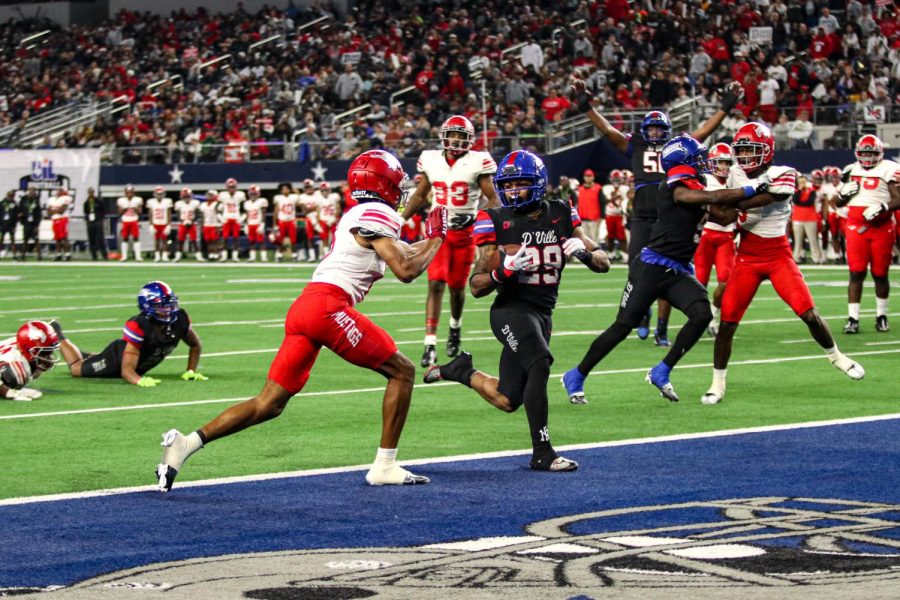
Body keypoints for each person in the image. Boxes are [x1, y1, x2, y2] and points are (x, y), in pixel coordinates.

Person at [155, 150, 449, 491]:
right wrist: (439, 236)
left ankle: (186, 444)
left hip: (307, 306)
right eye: (397, 184)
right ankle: (384, 465)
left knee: (270, 403)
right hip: (328, 306)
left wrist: (432, 237)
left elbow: (405, 253)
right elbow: (407, 270)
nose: (401, 191)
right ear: (384, 184)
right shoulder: (377, 212)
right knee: (403, 371)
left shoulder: (362, 213)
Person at [424, 149, 609, 468]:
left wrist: (585, 253)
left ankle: (461, 371)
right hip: (510, 309)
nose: (511, 192)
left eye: (519, 184)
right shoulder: (494, 219)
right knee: (540, 362)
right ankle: (543, 452)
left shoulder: (561, 212)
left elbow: (604, 263)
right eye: (506, 186)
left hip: (543, 313)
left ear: (538, 184)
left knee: (509, 399)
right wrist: (503, 271)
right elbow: (477, 285)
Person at [561, 134, 766, 404]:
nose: (702, 162)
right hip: (651, 267)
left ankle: (662, 370)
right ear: (683, 162)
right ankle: (576, 374)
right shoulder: (676, 186)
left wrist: (764, 199)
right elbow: (697, 196)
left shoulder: (697, 185)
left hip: (677, 270)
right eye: (696, 158)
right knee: (623, 326)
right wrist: (746, 191)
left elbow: (724, 215)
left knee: (702, 314)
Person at [569, 79, 743, 346]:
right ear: (643, 130)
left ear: (667, 131)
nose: (654, 134)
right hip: (641, 216)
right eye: (650, 129)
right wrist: (586, 107)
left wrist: (725, 108)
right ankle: (644, 314)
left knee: (669, 271)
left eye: (659, 129)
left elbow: (702, 133)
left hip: (668, 217)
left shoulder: (677, 147)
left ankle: (661, 327)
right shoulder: (636, 145)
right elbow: (608, 131)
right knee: (635, 270)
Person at [702, 123, 865, 405]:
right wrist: (729, 198)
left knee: (809, 313)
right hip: (747, 257)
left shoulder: (783, 173)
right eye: (740, 151)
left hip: (778, 256)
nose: (743, 157)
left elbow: (771, 196)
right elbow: (722, 216)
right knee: (727, 323)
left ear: (766, 151)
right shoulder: (734, 174)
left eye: (750, 150)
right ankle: (717, 384)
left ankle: (836, 356)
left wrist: (733, 198)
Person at [402, 115, 500, 367]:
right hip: (438, 231)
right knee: (435, 284)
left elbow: (493, 199)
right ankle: (430, 343)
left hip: (465, 233)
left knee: (457, 287)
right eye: (452, 134)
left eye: (461, 135)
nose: (456, 140)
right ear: (445, 136)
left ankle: (455, 326)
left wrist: (476, 218)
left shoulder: (478, 161)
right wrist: (400, 220)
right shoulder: (432, 160)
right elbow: (421, 194)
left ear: (469, 139)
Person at [55, 281, 206, 386]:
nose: (167, 310)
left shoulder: (180, 319)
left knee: (95, 358)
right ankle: (56, 333)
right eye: (161, 306)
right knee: (76, 369)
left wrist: (191, 371)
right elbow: (126, 370)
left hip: (135, 358)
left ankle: (86, 354)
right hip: (117, 360)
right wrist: (137, 380)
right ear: (146, 306)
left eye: (169, 305)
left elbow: (195, 345)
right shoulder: (139, 325)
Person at [837, 134, 900, 334]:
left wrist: (882, 207)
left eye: (871, 153)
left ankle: (881, 316)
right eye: (863, 153)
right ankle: (853, 319)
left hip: (881, 227)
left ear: (879, 153)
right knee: (856, 273)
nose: (867, 157)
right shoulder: (850, 170)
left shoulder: (889, 168)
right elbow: (838, 203)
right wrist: (842, 195)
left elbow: (898, 199)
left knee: (880, 274)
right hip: (856, 226)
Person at [693, 143, 737, 337]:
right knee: (699, 284)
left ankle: (713, 313)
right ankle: (698, 318)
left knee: (726, 282)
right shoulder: (705, 180)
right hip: (706, 236)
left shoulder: (735, 179)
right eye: (721, 162)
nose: (725, 167)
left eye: (727, 162)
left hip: (726, 236)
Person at [0, 321, 59, 402]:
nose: (49, 358)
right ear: (28, 350)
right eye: (44, 353)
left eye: (49, 352)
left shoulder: (22, 344)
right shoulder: (16, 362)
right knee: (17, 378)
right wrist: (7, 391)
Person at [792, 175, 823, 264]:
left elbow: (810, 202)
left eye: (803, 182)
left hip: (810, 219)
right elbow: (795, 201)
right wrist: (800, 191)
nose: (802, 183)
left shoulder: (812, 191)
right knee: (798, 240)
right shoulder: (796, 191)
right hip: (798, 218)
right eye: (800, 182)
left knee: (812, 239)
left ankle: (816, 258)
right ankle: (796, 257)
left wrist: (801, 202)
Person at [601, 169, 628, 261]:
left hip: (621, 215)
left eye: (618, 179)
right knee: (610, 236)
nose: (616, 181)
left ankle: (625, 255)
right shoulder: (606, 188)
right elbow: (606, 200)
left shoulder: (625, 188)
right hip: (610, 215)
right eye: (614, 179)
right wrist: (615, 196)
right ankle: (611, 254)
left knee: (622, 237)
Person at [218, 178, 245, 262]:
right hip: (226, 218)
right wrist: (220, 217)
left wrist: (242, 217)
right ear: (226, 187)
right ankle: (224, 256)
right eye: (230, 187)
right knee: (225, 238)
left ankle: (235, 256)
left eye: (233, 187)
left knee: (236, 238)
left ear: (236, 187)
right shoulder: (222, 195)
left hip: (236, 218)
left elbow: (245, 207)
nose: (231, 189)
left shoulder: (240, 194)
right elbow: (217, 208)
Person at [174, 187, 202, 262]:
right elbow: (178, 214)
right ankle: (178, 256)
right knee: (180, 240)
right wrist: (183, 221)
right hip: (183, 223)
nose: (186, 198)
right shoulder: (178, 203)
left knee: (194, 240)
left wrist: (191, 221)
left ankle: (198, 256)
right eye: (185, 196)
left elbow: (197, 214)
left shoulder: (195, 203)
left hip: (192, 224)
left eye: (188, 196)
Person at [273, 183, 299, 262]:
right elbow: (276, 211)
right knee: (280, 239)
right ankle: (279, 255)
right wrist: (274, 224)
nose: (285, 190)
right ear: (281, 190)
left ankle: (294, 255)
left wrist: (295, 190)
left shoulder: (293, 197)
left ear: (289, 189)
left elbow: (298, 197)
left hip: (291, 221)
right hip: (282, 221)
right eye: (283, 189)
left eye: (287, 189)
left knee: (293, 239)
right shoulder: (279, 198)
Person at [117, 184, 144, 262]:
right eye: (128, 192)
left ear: (133, 193)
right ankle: (124, 256)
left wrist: (135, 209)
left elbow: (140, 212)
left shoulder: (137, 200)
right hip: (125, 220)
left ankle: (138, 256)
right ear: (125, 193)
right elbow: (119, 213)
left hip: (134, 220)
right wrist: (124, 209)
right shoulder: (121, 200)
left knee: (136, 238)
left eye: (131, 192)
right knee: (125, 238)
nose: (130, 194)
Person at [146, 186, 173, 262]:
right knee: (157, 240)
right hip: (155, 223)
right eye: (158, 194)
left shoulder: (167, 201)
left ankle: (164, 255)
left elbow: (169, 214)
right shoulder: (151, 202)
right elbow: (150, 214)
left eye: (161, 194)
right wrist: (151, 224)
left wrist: (168, 224)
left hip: (164, 223)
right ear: (155, 194)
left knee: (165, 240)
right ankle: (157, 255)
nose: (159, 195)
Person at [577, 168, 603, 245]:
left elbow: (602, 203)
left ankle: (596, 255)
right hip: (583, 218)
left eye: (590, 176)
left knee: (594, 239)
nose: (588, 177)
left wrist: (601, 216)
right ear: (584, 177)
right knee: (584, 239)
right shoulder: (580, 189)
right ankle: (587, 255)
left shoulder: (598, 188)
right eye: (586, 176)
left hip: (594, 219)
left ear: (593, 177)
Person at [243, 185, 269, 262]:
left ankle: (264, 258)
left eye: (255, 193)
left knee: (261, 241)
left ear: (258, 193)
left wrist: (262, 224)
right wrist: (246, 225)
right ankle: (252, 257)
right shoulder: (247, 203)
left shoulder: (262, 201)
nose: (253, 195)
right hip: (250, 224)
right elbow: (247, 215)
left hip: (258, 223)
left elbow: (264, 213)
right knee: (251, 241)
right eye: (252, 193)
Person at [17, 187, 42, 260]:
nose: (31, 192)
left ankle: (39, 256)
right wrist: (21, 216)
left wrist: (37, 225)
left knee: (36, 239)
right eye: (30, 191)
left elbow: (38, 213)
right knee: (25, 239)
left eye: (33, 191)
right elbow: (20, 210)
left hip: (34, 223)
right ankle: (23, 255)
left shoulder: (36, 201)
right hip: (26, 222)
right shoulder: (24, 200)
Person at [47, 188, 72, 261]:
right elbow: (48, 212)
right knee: (57, 238)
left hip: (63, 219)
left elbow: (61, 210)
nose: (59, 191)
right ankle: (58, 254)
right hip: (55, 220)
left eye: (61, 190)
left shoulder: (66, 198)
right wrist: (56, 210)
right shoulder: (52, 199)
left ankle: (67, 254)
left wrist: (53, 210)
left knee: (64, 237)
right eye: (58, 190)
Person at [83, 187, 107, 260]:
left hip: (98, 221)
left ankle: (104, 254)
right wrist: (88, 220)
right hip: (90, 222)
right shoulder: (86, 202)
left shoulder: (99, 201)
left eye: (92, 192)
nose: (91, 193)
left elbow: (103, 210)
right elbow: (86, 212)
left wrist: (100, 219)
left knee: (100, 238)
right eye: (90, 192)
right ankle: (94, 255)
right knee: (91, 238)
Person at [200, 190, 222, 261]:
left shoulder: (217, 204)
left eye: (211, 195)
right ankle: (211, 254)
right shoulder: (203, 204)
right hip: (206, 224)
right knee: (208, 241)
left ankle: (216, 254)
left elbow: (219, 214)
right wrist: (202, 225)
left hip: (214, 224)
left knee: (215, 240)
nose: (209, 196)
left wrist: (219, 225)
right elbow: (203, 216)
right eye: (208, 195)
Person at [0, 190, 18, 259]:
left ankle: (14, 255)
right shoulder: (2, 203)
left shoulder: (14, 203)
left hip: (11, 225)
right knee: (1, 239)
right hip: (3, 224)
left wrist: (15, 225)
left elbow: (16, 214)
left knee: (12, 240)